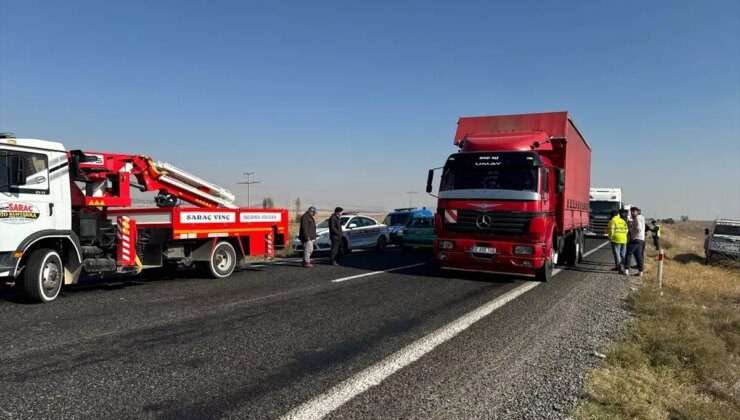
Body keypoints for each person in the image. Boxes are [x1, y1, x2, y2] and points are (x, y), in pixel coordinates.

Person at [624, 207, 646, 276]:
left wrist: (633, 236)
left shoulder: (637, 218)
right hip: (641, 239)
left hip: (636, 239)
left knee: (628, 254)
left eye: (634, 211)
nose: (632, 213)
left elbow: (638, 229)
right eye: (631, 212)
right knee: (639, 256)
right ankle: (640, 272)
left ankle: (626, 270)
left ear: (637, 212)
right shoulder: (642, 218)